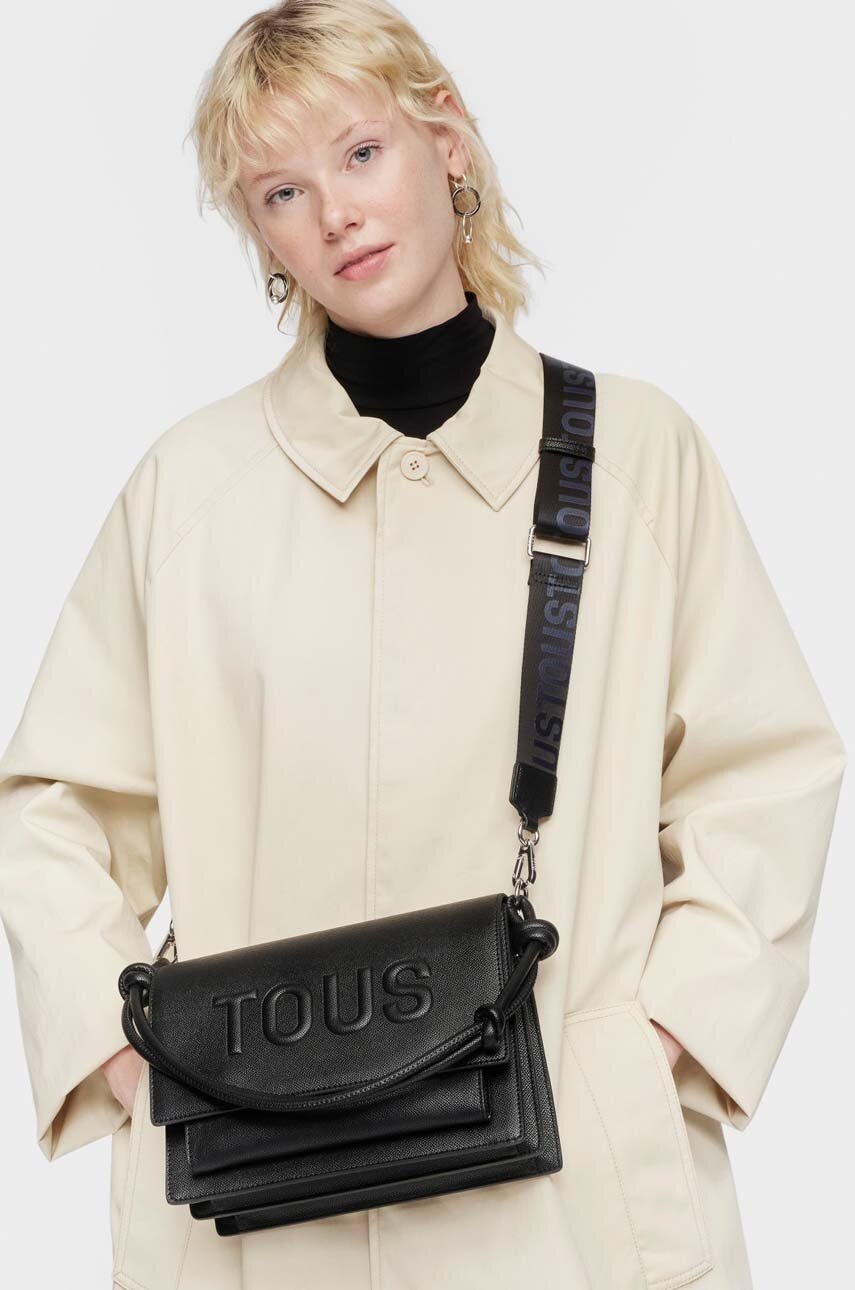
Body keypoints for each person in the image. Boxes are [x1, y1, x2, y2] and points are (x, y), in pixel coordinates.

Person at [0, 1, 846, 1287]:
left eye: (360, 154)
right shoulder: (191, 495)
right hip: (265, 1206)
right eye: (283, 191)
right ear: (261, 235)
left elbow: (763, 774)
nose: (335, 214)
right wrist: (133, 1059)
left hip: (573, 1209)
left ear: (445, 139)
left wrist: (653, 1043)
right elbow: (54, 807)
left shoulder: (636, 456)